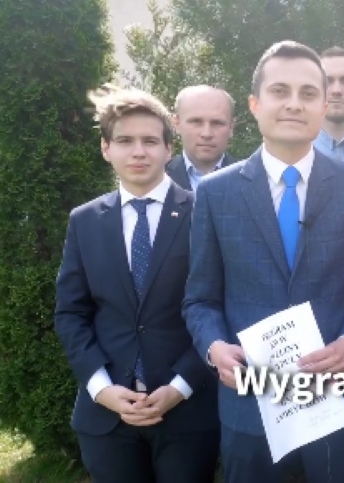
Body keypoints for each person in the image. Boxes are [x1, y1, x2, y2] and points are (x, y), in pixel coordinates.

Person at [183, 40, 344, 483]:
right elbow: (199, 300)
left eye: (308, 93)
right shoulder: (215, 193)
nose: (294, 103)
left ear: (324, 106)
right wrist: (214, 348)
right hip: (249, 407)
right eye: (280, 91)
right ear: (255, 104)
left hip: (332, 403)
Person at [54, 85, 219, 482]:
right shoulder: (85, 221)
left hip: (187, 411)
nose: (139, 152)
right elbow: (71, 313)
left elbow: (219, 306)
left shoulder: (204, 213)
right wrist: (101, 388)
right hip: (107, 416)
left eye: (150, 141)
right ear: (106, 148)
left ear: (168, 148)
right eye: (125, 141)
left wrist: (181, 386)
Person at [165, 85, 238, 193]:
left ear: (231, 127)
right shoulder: (156, 180)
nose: (206, 134)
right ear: (177, 124)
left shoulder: (254, 182)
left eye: (217, 123)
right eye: (196, 122)